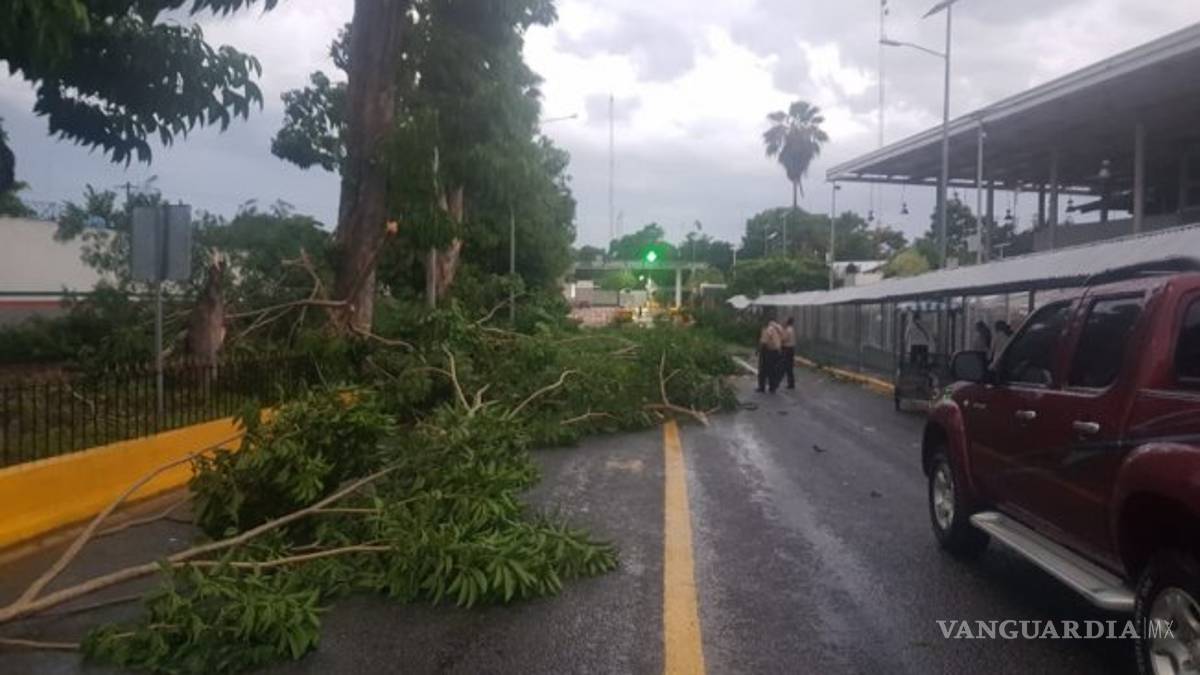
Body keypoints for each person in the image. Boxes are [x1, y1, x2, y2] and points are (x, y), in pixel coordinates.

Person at [756, 317, 783, 393]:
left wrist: (758, 350)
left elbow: (763, 341)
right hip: (777, 351)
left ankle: (762, 387)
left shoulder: (767, 329)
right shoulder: (778, 328)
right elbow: (783, 338)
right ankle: (772, 387)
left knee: (763, 370)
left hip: (768, 351)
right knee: (773, 370)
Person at [781, 317, 797, 390]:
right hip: (791, 349)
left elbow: (784, 339)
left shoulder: (788, 330)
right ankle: (791, 383)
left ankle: (790, 383)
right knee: (789, 366)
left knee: (787, 366)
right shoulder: (792, 329)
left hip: (787, 349)